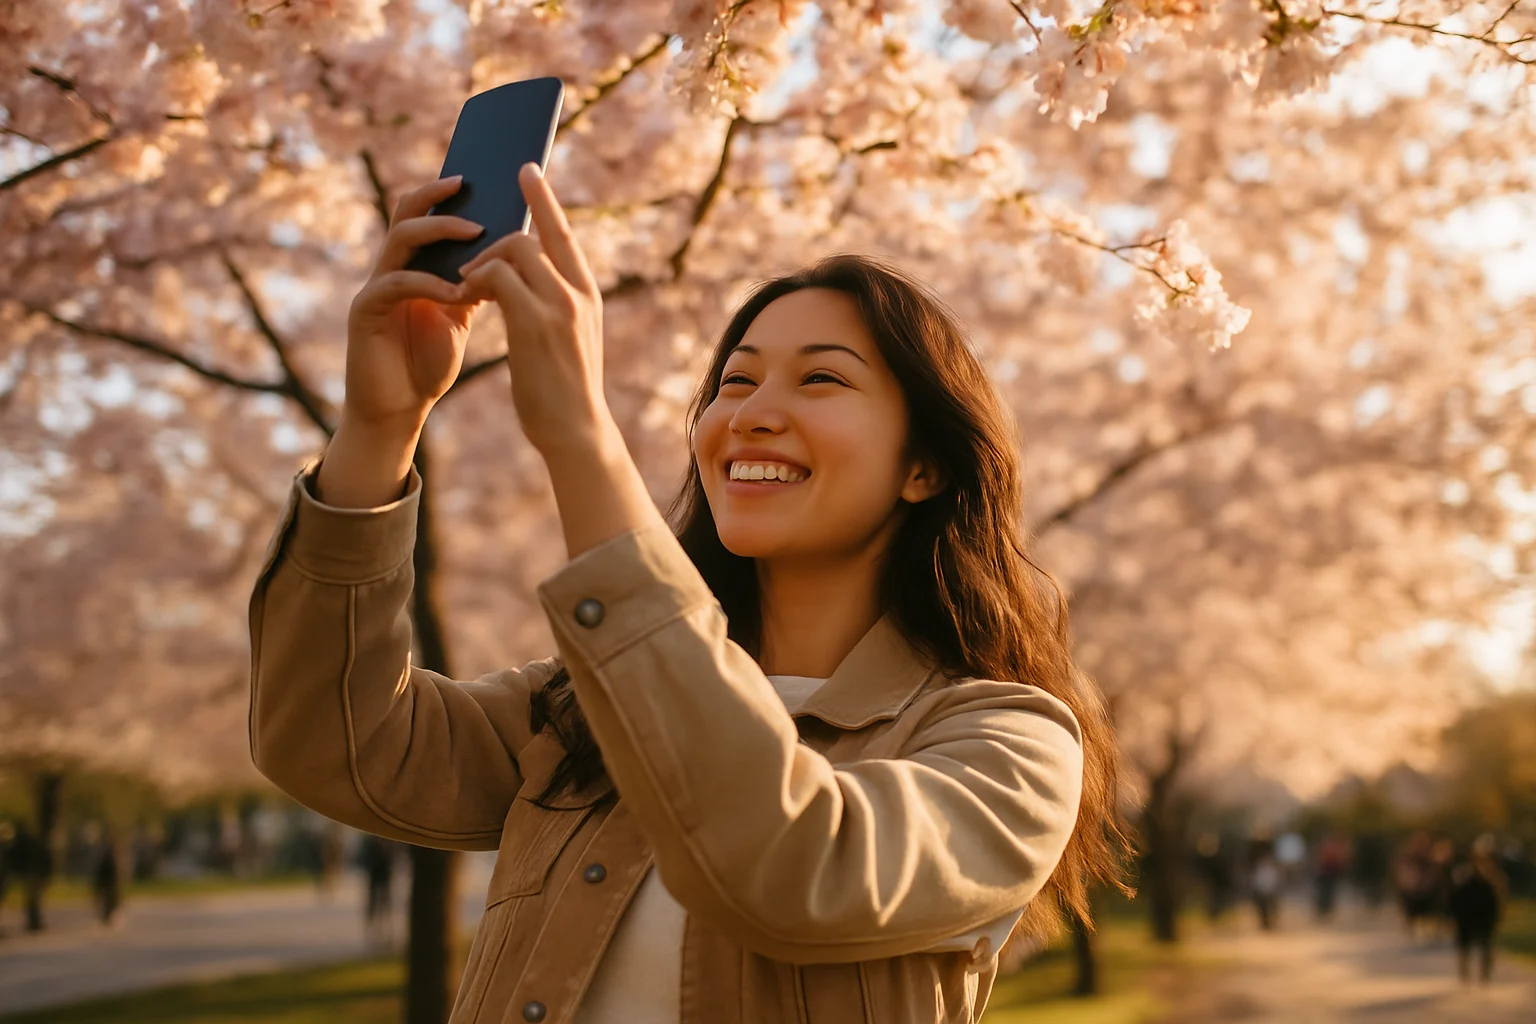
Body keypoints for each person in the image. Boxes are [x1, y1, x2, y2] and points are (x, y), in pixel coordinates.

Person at [248, 166, 1128, 1024]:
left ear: (924, 466)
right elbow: (337, 742)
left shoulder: (1010, 745)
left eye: (821, 379)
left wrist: (582, 438)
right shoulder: (581, 714)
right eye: (736, 382)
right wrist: (381, 427)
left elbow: (791, 868)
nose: (750, 414)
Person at [1447, 835, 1507, 985]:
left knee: (1485, 946)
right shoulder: (1463, 875)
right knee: (1465, 947)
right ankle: (1465, 974)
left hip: (1484, 916)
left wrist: (1496, 917)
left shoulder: (1493, 878)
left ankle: (1484, 975)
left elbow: (1498, 899)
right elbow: (1455, 897)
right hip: (1466, 917)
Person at [357, 833, 398, 950]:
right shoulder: (373, 844)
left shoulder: (389, 844)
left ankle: (386, 935)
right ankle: (374, 935)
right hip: (376, 880)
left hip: (383, 881)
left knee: (385, 909)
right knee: (375, 908)